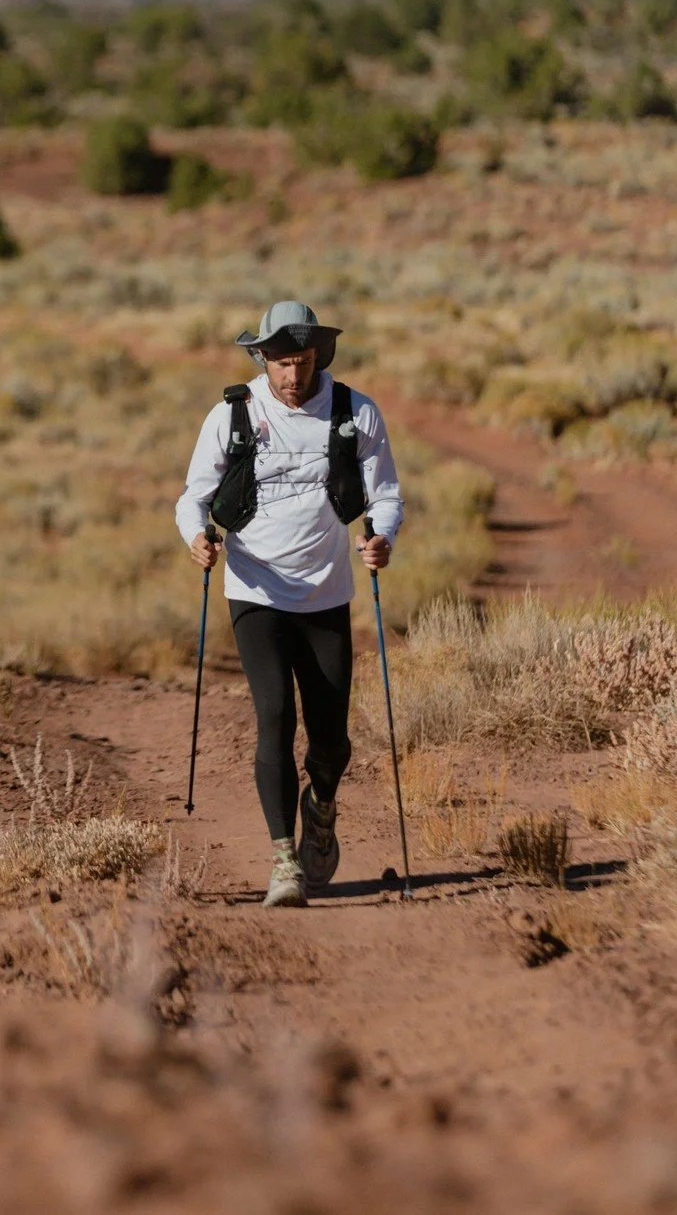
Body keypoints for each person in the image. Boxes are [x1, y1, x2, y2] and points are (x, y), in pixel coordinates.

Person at [175, 301, 403, 908]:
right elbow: (192, 498)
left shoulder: (356, 412)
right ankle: (284, 861)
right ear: (262, 360)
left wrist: (381, 537)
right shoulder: (232, 414)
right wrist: (197, 538)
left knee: (332, 740)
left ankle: (320, 805)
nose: (292, 377)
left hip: (327, 592)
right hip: (256, 590)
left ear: (317, 357)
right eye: (280, 364)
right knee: (274, 717)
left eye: (301, 363)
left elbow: (385, 493)